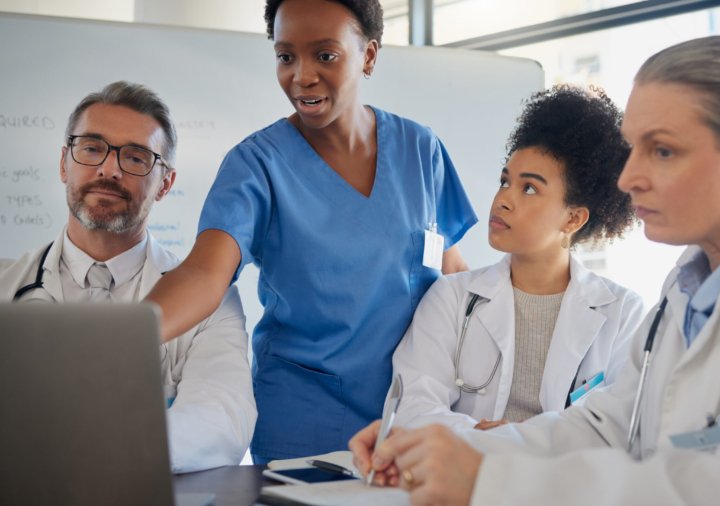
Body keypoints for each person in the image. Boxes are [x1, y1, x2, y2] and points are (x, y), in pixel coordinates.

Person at [349, 36, 720, 505]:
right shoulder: (689, 287)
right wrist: (442, 453)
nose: (630, 176)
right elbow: (605, 425)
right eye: (633, 148)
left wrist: (491, 479)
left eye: (661, 151)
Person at [144, 0, 477, 463]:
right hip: (303, 416)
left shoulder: (422, 150)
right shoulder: (256, 165)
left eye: (325, 55)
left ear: (369, 55)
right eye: (286, 56)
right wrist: (119, 337)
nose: (301, 76)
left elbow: (453, 276)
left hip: (412, 414)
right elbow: (204, 274)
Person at [0, 81, 256, 474]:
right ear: (64, 163)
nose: (109, 169)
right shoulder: (6, 287)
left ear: (165, 184)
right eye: (91, 148)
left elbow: (222, 418)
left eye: (136, 159)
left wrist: (99, 448)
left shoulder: (211, 299)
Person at [392, 85, 643, 432]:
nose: (503, 199)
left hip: (564, 483)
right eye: (504, 181)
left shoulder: (623, 312)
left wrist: (514, 439)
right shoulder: (450, 298)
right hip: (465, 477)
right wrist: (491, 440)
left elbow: (622, 426)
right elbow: (411, 408)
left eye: (529, 188)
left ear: (573, 219)